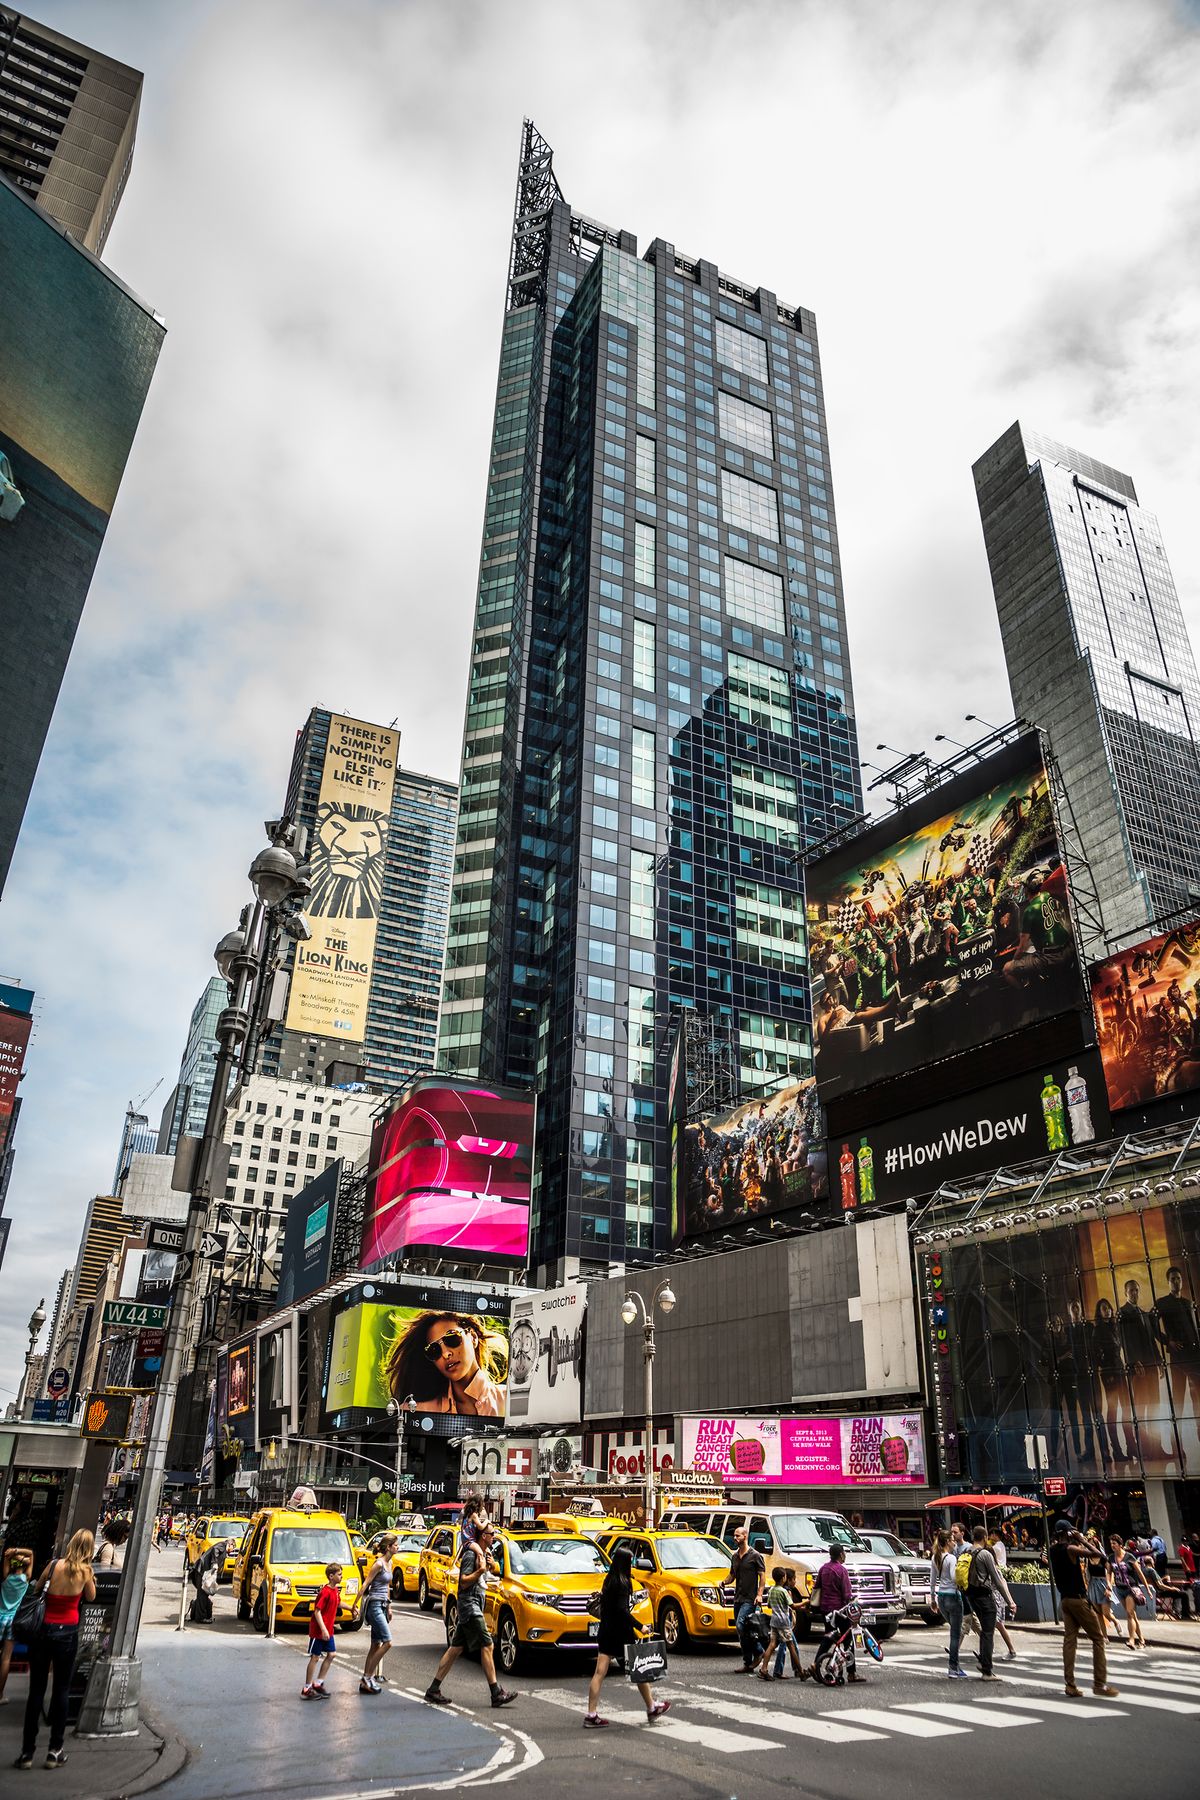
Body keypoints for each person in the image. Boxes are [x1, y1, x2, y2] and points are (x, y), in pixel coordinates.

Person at [15, 1529, 96, 1769]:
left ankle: (27, 1753)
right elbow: (91, 1598)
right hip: (67, 1634)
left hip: (43, 1632)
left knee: (36, 1692)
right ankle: (55, 1750)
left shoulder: (53, 1566)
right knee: (62, 1690)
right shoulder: (86, 1572)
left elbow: (36, 1589)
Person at [424, 1522, 516, 1710]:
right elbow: (463, 1582)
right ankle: (496, 1692)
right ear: (483, 1536)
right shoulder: (470, 1554)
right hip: (470, 1606)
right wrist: (480, 1571)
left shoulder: (483, 1554)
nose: (494, 1536)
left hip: (473, 1606)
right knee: (488, 1645)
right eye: (491, 1534)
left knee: (455, 1649)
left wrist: (490, 1566)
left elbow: (494, 1572)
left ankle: (433, 1689)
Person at [583, 1545, 671, 1727]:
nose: (632, 1564)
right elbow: (623, 1611)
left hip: (606, 1630)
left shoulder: (609, 1580)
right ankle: (652, 1707)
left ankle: (591, 1714)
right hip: (621, 1632)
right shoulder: (623, 1583)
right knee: (639, 1670)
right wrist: (641, 1627)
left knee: (599, 1672)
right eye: (630, 1561)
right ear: (625, 1563)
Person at [387, 1311, 506, 1416]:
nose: (445, 1354)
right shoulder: (413, 1411)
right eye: (434, 1350)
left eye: (452, 1339)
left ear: (473, 1337)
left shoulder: (511, 1400)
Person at [1048, 1522, 1118, 1699]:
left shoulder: (1053, 1550)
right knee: (1098, 1638)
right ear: (1068, 1533)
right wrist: (1083, 1540)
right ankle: (1099, 1683)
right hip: (1078, 1600)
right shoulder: (1071, 1549)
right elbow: (1099, 1556)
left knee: (1069, 1641)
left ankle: (1070, 1684)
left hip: (1065, 1600)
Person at [813, 1544, 865, 1684]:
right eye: (844, 1553)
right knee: (848, 1641)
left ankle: (815, 1664)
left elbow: (817, 1587)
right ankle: (851, 1673)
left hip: (826, 1610)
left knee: (828, 1637)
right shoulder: (841, 1571)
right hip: (840, 1611)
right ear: (841, 1554)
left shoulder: (823, 1569)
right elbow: (847, 1594)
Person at [962, 1526, 1002, 1680]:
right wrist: (1010, 1601)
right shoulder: (984, 1554)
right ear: (985, 1537)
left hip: (971, 1595)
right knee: (988, 1632)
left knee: (985, 1631)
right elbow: (997, 1580)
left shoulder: (966, 1552)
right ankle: (987, 1669)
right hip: (984, 1596)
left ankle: (984, 1661)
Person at [360, 1534, 398, 1693]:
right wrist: (356, 1606)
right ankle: (368, 1677)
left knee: (375, 1644)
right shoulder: (378, 1564)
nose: (398, 1547)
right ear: (388, 1547)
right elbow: (366, 1584)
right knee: (388, 1642)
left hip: (382, 1605)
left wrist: (389, 1607)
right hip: (374, 1605)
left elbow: (387, 1588)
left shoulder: (390, 1563)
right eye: (395, 1545)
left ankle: (365, 1680)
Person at [930, 1528, 966, 1679]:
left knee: (954, 1632)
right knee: (955, 1635)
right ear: (947, 1542)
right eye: (952, 1540)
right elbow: (953, 1577)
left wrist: (932, 1599)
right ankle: (953, 1667)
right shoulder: (951, 1558)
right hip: (953, 1596)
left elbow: (932, 1580)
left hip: (941, 1597)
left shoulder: (934, 1557)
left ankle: (956, 1666)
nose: (954, 1542)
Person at [759, 1567, 807, 1681]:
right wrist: (805, 1602)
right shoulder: (783, 1591)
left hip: (774, 1620)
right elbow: (793, 1606)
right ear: (783, 1578)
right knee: (791, 1646)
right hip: (783, 1622)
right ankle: (800, 1671)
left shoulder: (772, 1590)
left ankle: (764, 1669)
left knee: (772, 1645)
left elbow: (769, 1605)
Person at [303, 1563, 342, 1699]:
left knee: (331, 1655)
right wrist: (323, 1629)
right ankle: (307, 1688)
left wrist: (352, 1608)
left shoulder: (335, 1591)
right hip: (319, 1631)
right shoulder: (324, 1592)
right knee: (315, 1657)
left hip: (328, 1630)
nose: (341, 1577)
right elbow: (317, 1611)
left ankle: (318, 1683)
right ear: (331, 1576)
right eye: (339, 1574)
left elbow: (338, 1603)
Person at [730, 1525, 766, 1673]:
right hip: (737, 1598)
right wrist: (723, 1582)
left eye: (738, 1535)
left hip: (750, 1599)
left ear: (745, 1536)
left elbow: (762, 1576)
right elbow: (731, 1575)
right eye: (734, 1535)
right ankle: (747, 1662)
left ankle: (758, 1651)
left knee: (741, 1625)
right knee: (741, 1631)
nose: (735, 1538)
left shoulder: (755, 1555)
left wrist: (759, 1594)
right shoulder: (734, 1556)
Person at [0, 1549, 32, 1704]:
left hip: (0, 1617)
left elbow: (6, 1557)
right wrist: (19, 1552)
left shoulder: (6, 1578)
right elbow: (31, 1554)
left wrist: (11, 1553)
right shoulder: (25, 1580)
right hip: (13, 1621)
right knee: (6, 1658)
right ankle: (0, 1695)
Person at [984, 1530, 1018, 1662]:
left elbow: (1003, 1584)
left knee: (998, 1624)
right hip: (993, 1599)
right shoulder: (990, 1568)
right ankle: (987, 1650)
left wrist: (1011, 1602)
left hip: (997, 1600)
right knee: (991, 1625)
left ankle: (1011, 1650)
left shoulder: (995, 1569)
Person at [1108, 1535, 1146, 1648]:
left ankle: (1131, 1640)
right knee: (1133, 1615)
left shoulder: (1129, 1556)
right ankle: (1142, 1640)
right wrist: (1109, 1585)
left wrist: (1147, 1589)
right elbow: (1109, 1573)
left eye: (1114, 1543)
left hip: (1131, 1588)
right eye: (1111, 1543)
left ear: (1120, 1544)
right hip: (1120, 1589)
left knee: (1129, 1614)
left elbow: (1139, 1573)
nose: (1112, 1545)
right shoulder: (1110, 1558)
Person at [772, 1570, 805, 1678]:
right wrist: (805, 1603)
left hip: (777, 1621)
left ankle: (796, 1670)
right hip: (785, 1621)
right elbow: (792, 1606)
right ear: (787, 1580)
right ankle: (795, 1670)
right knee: (788, 1645)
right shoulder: (787, 1592)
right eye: (794, 1579)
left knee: (787, 1645)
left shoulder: (775, 1589)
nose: (795, 1581)